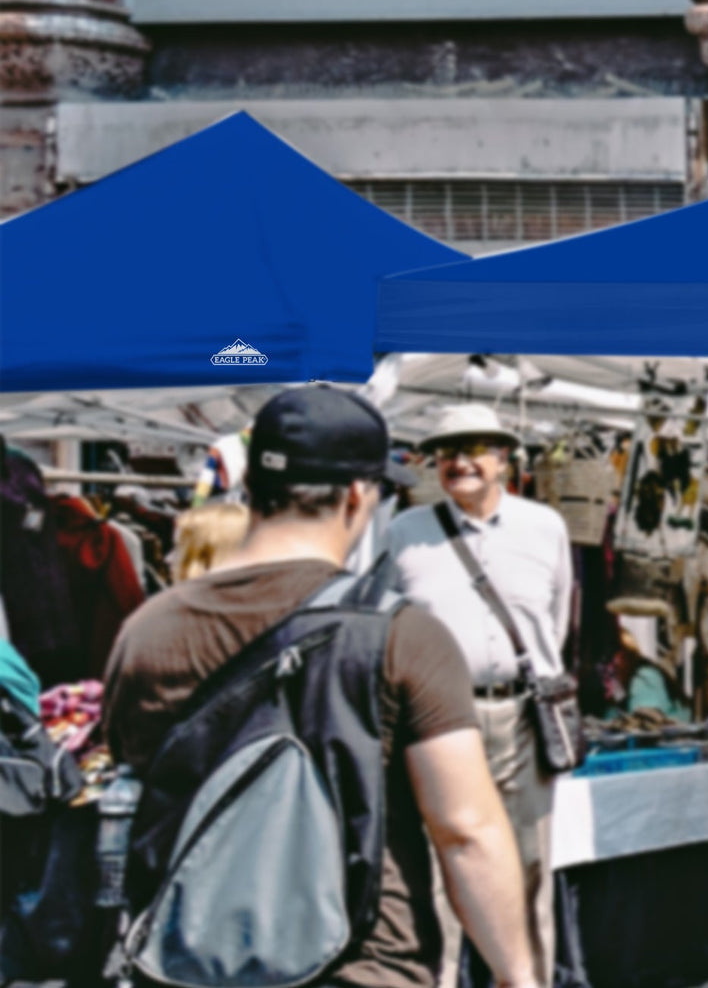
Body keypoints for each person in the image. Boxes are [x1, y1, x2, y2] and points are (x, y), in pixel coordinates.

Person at [105, 385, 538, 988]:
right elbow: (464, 830)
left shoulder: (145, 630)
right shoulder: (400, 634)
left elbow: (139, 777)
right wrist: (520, 976)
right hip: (361, 965)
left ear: (251, 487)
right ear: (358, 496)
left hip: (187, 961)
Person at [389, 404, 574, 988]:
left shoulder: (546, 526)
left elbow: (559, 618)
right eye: (447, 452)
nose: (459, 462)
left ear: (504, 459)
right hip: (439, 720)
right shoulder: (404, 533)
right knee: (443, 872)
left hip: (522, 715)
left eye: (474, 450)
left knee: (530, 874)